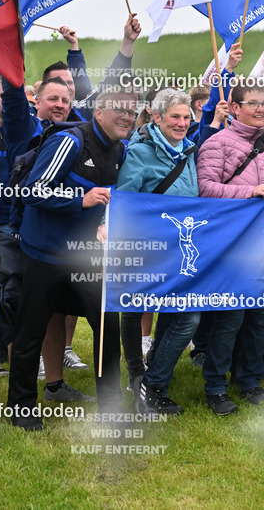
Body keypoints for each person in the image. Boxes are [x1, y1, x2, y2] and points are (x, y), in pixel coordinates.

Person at [7, 86, 136, 430]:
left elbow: (112, 200)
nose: (127, 117)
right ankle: (21, 409)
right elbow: (33, 190)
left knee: (108, 325)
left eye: (133, 112)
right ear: (98, 111)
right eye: (120, 110)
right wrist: (80, 199)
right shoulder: (71, 141)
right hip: (44, 254)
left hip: (86, 258)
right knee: (30, 332)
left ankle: (111, 407)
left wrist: (106, 222)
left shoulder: (121, 150)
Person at [197, 79, 264, 415]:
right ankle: (215, 386)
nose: (262, 109)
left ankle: (250, 381)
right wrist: (248, 192)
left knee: (259, 318)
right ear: (236, 108)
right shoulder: (218, 143)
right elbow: (204, 189)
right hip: (234, 244)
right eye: (254, 103)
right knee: (230, 318)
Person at [113, 89, 200, 416]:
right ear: (157, 117)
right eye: (175, 117)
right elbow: (125, 201)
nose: (181, 123)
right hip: (146, 249)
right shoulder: (139, 153)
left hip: (180, 250)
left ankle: (153, 375)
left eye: (186, 117)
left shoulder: (188, 151)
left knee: (186, 316)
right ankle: (139, 376)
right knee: (136, 308)